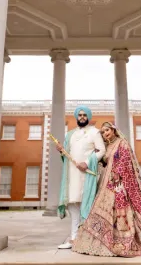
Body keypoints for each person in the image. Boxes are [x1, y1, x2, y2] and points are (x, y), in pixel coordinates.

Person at [72, 122, 141, 256]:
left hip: (119, 183)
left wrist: (117, 176)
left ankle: (124, 241)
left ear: (114, 130)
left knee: (121, 212)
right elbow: (104, 163)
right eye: (103, 132)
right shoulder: (107, 147)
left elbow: (125, 161)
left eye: (107, 130)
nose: (105, 133)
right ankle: (104, 242)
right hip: (106, 183)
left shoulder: (122, 143)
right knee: (104, 210)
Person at [56, 105, 106, 249]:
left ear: (88, 117)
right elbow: (67, 153)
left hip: (87, 174)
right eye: (80, 115)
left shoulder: (94, 132)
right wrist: (61, 150)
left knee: (87, 205)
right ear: (77, 117)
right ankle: (73, 238)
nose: (82, 117)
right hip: (71, 174)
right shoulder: (70, 134)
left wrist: (87, 162)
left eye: (85, 115)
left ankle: (90, 239)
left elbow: (101, 150)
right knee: (73, 204)